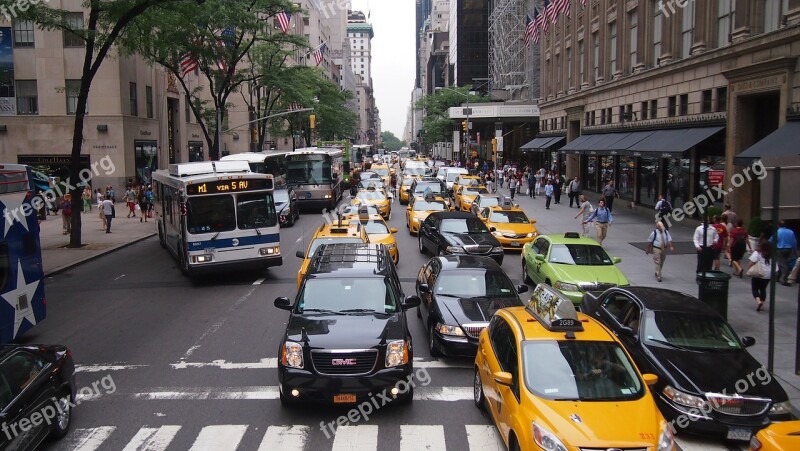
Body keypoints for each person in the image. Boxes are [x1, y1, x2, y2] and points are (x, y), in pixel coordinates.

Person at [748, 240, 773, 312]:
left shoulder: (757, 253)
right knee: (763, 289)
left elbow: (751, 262)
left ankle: (758, 301)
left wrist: (750, 270)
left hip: (758, 273)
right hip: (768, 274)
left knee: (755, 288)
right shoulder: (771, 254)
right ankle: (762, 304)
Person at [776, 220, 797, 286]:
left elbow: (773, 240)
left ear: (778, 225)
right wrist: (794, 251)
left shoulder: (778, 232)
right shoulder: (791, 232)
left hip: (780, 249)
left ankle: (783, 279)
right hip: (789, 249)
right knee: (782, 263)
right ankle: (778, 276)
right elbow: (794, 242)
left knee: (783, 264)